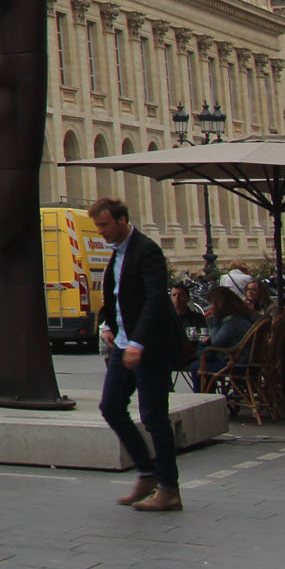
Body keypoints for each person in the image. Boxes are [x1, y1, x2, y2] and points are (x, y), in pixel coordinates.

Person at [90, 197, 186, 513]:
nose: (100, 231)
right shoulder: (117, 253)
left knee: (154, 416)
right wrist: (107, 323)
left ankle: (169, 489)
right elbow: (116, 297)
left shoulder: (147, 251)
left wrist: (138, 343)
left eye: (104, 225)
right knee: (111, 406)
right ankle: (147, 473)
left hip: (149, 346)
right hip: (123, 342)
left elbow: (156, 300)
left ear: (121, 220)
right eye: (98, 225)